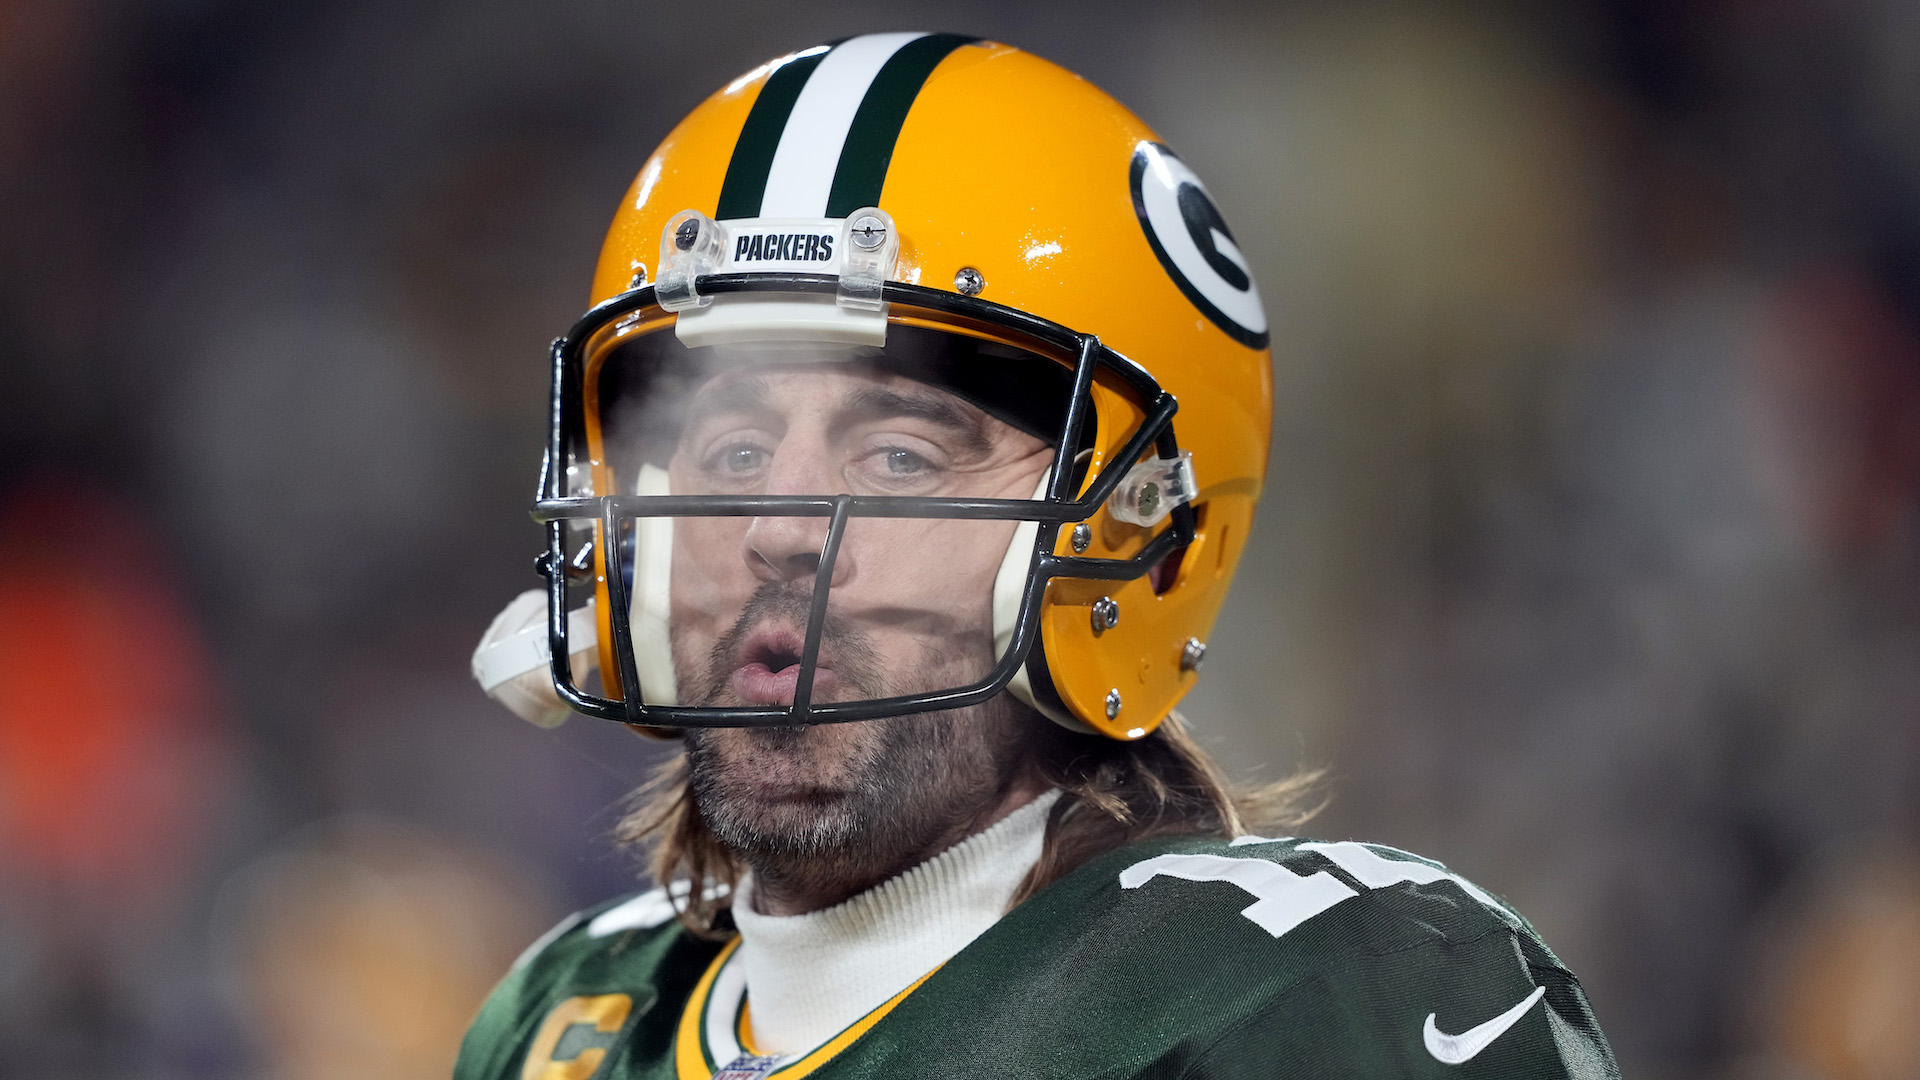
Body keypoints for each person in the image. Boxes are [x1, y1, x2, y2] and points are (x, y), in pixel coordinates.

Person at [459, 34, 1618, 1080]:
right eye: (735, 444)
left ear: (1143, 536)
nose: (780, 526)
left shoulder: (1313, 991)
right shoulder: (568, 1022)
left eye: (903, 456)